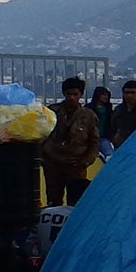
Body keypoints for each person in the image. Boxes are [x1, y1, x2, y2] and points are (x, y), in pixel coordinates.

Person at [41, 77, 101, 207]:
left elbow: (94, 142)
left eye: (75, 94)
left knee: (76, 202)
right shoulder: (51, 112)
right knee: (53, 201)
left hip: (76, 165)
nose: (72, 97)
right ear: (64, 93)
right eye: (69, 94)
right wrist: (43, 158)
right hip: (53, 164)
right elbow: (42, 135)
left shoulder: (89, 116)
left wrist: (86, 161)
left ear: (81, 95)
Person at [108, 79, 136, 148]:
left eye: (132, 93)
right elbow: (112, 127)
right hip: (121, 147)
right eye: (127, 93)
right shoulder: (118, 109)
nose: (129, 95)